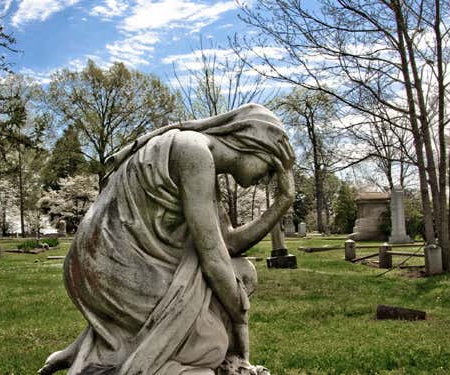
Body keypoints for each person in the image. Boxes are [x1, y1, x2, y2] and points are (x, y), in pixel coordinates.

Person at [39, 103, 295, 375]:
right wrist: (240, 317)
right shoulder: (193, 152)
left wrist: (283, 201)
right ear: (254, 144)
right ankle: (130, 362)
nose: (269, 179)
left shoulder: (201, 161)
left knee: (242, 273)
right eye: (273, 167)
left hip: (117, 266)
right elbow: (213, 259)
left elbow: (229, 244)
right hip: (109, 267)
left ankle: (100, 349)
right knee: (212, 345)